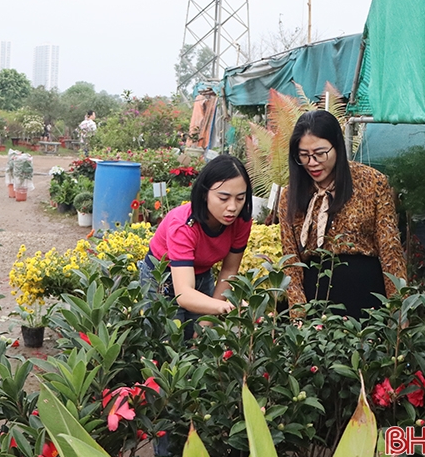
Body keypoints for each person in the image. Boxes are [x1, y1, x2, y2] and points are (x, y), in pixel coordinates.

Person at [278, 110, 406, 319]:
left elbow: (390, 250)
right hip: (316, 306)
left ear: (337, 146)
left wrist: (399, 309)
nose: (312, 162)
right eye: (304, 155)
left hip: (367, 302)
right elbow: (290, 260)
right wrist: (298, 314)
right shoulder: (290, 195)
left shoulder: (372, 183)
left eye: (320, 153)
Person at [139, 154, 253, 339]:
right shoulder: (183, 226)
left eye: (240, 198)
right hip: (162, 277)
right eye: (223, 198)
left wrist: (207, 321)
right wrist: (225, 306)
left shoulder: (241, 221)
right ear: (204, 194)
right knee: (168, 340)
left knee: (200, 339)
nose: (233, 207)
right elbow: (184, 293)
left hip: (201, 273)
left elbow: (229, 270)